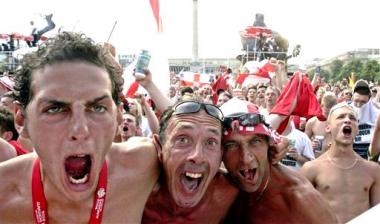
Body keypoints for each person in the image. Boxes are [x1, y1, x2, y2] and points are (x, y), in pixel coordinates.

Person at [0, 32, 159, 223]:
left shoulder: (144, 165)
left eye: (98, 108)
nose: (80, 130)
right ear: (21, 119)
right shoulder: (4, 195)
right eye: (55, 109)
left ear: (117, 116)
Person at [221, 98, 337, 223]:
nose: (245, 158)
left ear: (269, 144)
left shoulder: (300, 201)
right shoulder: (219, 186)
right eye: (231, 145)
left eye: (254, 141)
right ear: (220, 152)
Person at [301, 102, 380, 223]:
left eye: (352, 118)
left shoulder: (373, 170)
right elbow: (302, 215)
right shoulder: (311, 169)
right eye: (341, 117)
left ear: (357, 129)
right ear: (328, 127)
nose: (347, 120)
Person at [350, 80, 379, 159]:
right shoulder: (344, 112)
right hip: (349, 157)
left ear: (369, 99)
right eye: (356, 101)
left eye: (363, 102)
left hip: (371, 158)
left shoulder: (377, 115)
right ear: (352, 97)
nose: (359, 105)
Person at [305, 91, 337, 157]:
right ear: (321, 106)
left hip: (333, 161)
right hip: (316, 160)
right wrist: (311, 144)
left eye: (331, 113)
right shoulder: (312, 122)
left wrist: (336, 145)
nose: (329, 116)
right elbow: (304, 143)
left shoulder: (339, 123)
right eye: (326, 113)